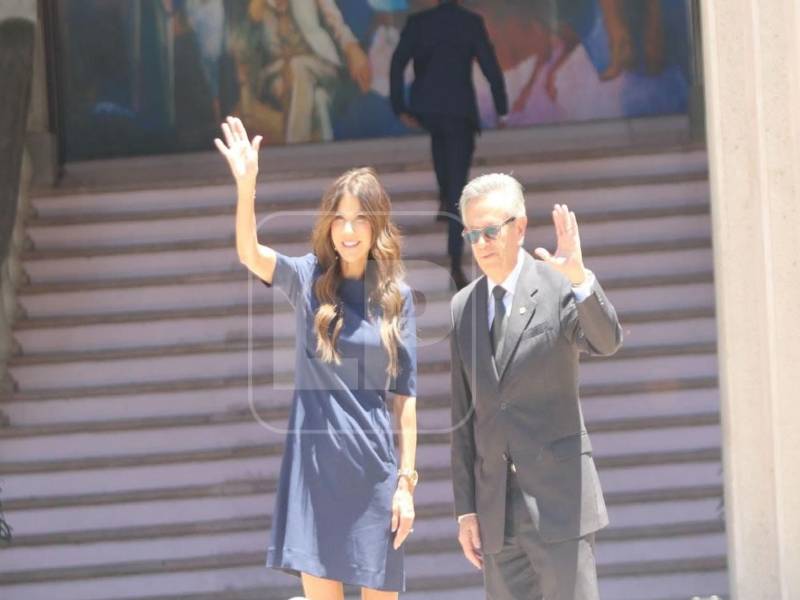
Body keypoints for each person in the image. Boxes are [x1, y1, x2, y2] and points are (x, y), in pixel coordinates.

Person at [215, 116, 418, 599]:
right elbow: (249, 252)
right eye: (339, 219)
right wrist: (247, 187)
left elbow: (404, 398)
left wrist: (407, 483)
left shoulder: (397, 298)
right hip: (315, 471)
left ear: (377, 225)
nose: (348, 231)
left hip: (374, 473)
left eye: (360, 219)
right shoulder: (307, 277)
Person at [448, 173, 623, 599]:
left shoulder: (558, 284)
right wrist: (466, 509)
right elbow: (463, 415)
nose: (483, 243)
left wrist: (581, 280)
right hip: (497, 517)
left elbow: (606, 341)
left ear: (520, 227)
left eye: (491, 230)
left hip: (560, 504)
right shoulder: (463, 306)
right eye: (473, 234)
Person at [389, 0, 508, 290]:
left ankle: (445, 201)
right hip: (459, 111)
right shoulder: (469, 23)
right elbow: (489, 64)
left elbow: (397, 64)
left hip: (428, 110)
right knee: (458, 183)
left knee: (444, 158)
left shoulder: (419, 23)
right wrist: (501, 105)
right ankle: (455, 260)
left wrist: (399, 106)